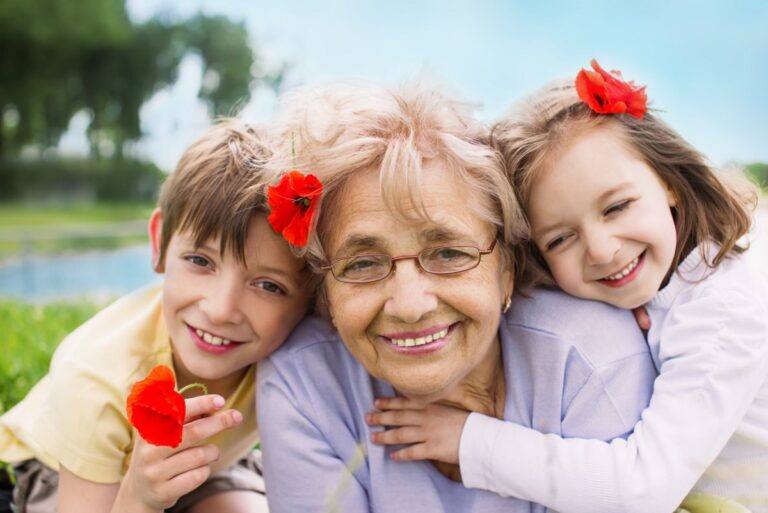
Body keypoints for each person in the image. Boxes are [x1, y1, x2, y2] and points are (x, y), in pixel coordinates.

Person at [367, 61, 768, 512]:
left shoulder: (723, 312)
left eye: (617, 207)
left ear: (670, 181)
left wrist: (468, 440)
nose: (600, 250)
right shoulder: (662, 285)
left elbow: (643, 489)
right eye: (560, 238)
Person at [255, 80, 657, 512]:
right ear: (327, 290)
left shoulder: (589, 356)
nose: (410, 306)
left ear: (506, 269)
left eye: (448, 253)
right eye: (363, 264)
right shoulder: (305, 383)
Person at [0, 119, 313, 513]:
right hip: (71, 474)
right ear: (160, 242)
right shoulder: (95, 377)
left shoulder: (302, 351)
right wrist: (139, 498)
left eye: (268, 286)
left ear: (313, 300)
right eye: (200, 261)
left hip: (208, 465)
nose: (220, 310)